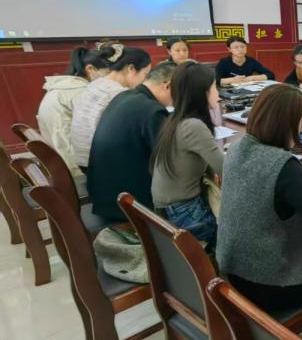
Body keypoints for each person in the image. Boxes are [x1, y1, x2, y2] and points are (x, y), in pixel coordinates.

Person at [216, 85, 302, 312]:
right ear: (286, 123)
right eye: (300, 120)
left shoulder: (237, 147)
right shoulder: (282, 164)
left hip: (235, 273)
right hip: (270, 285)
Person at [87, 62, 175, 221]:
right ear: (168, 86)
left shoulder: (125, 96)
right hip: (128, 206)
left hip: (104, 193)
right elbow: (170, 162)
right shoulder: (152, 111)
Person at [151, 62, 224, 245]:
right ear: (201, 93)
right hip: (184, 211)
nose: (218, 94)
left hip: (172, 208)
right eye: (214, 88)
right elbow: (226, 169)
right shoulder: (193, 126)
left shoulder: (175, 118)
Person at [37, 45, 116, 178]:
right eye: (107, 74)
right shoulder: (80, 92)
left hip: (59, 160)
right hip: (76, 167)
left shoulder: (62, 87)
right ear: (90, 69)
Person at [70, 46, 152, 170]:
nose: (144, 80)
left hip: (82, 158)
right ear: (131, 69)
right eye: (145, 74)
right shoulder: (119, 94)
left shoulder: (96, 84)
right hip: (100, 164)